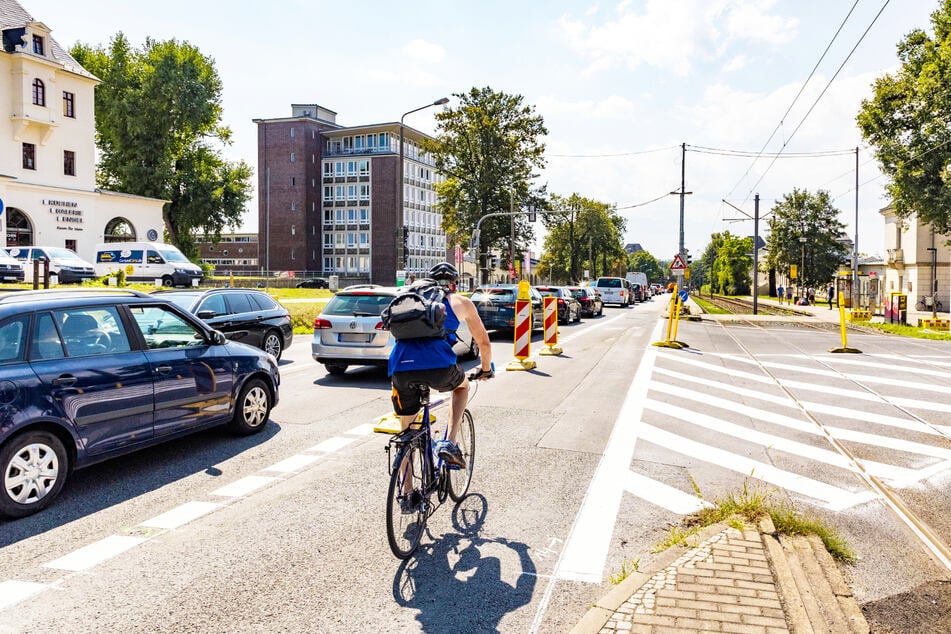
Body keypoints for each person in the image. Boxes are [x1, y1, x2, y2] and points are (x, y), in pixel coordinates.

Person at [389, 262, 494, 512]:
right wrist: (486, 369)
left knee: (406, 433)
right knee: (462, 387)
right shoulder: (459, 302)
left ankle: (408, 495)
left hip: (401, 368)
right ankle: (449, 441)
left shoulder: (411, 300)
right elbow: (484, 342)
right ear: (454, 283)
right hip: (439, 366)